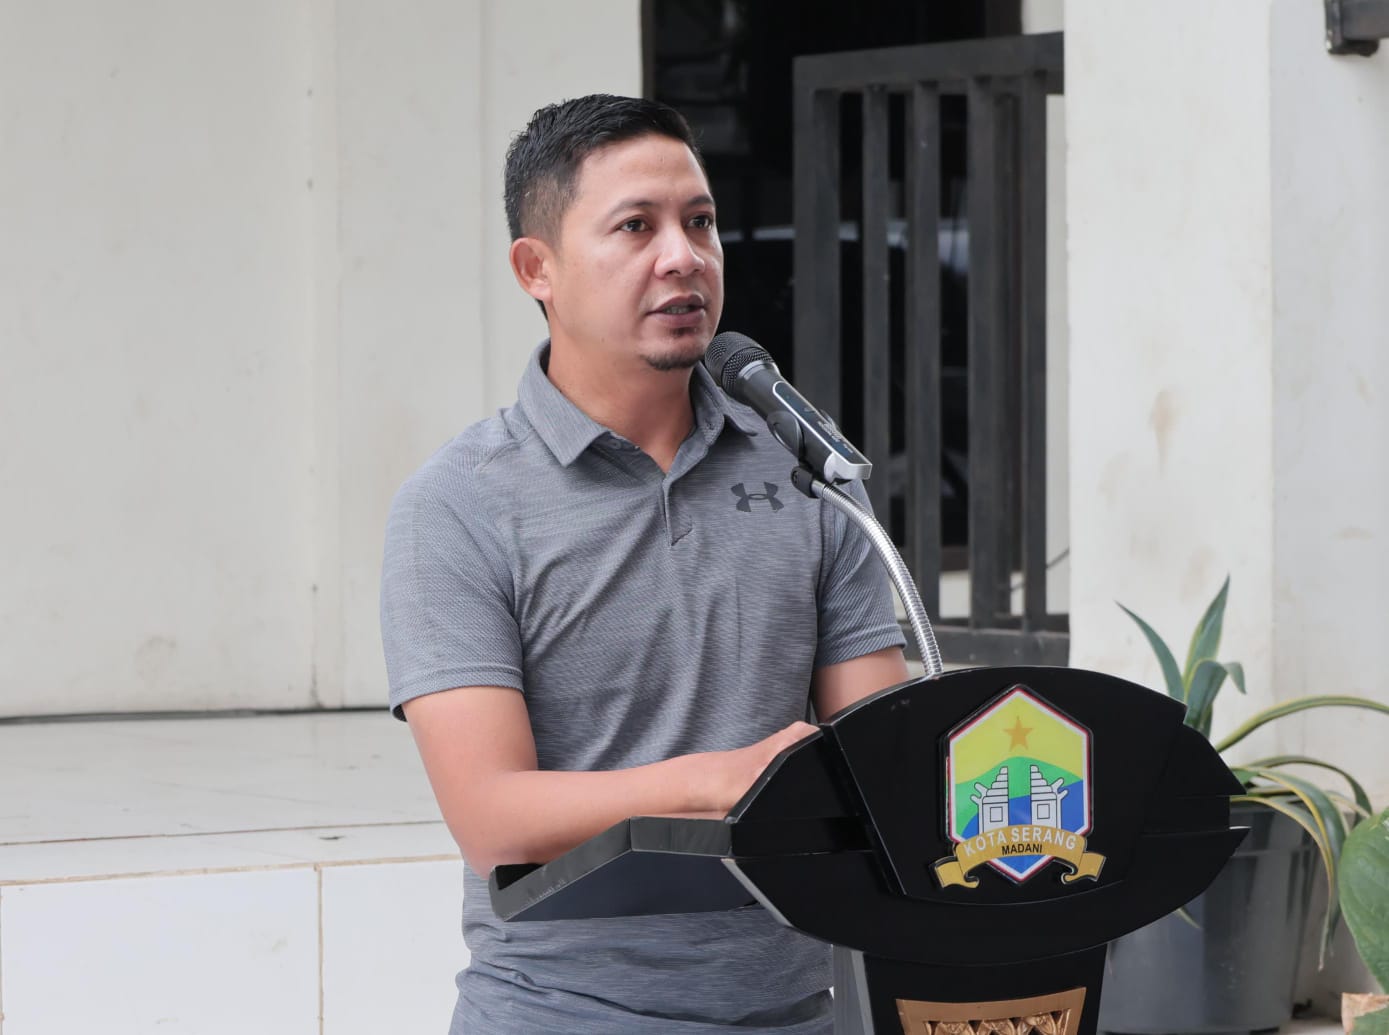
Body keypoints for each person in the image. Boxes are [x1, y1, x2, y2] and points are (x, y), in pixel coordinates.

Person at [380, 93, 908, 1034]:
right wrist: (713, 781)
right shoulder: (457, 504)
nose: (683, 257)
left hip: (798, 1010)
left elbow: (876, 755)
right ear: (536, 268)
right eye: (636, 226)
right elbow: (491, 815)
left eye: (699, 222)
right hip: (558, 1013)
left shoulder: (808, 476)